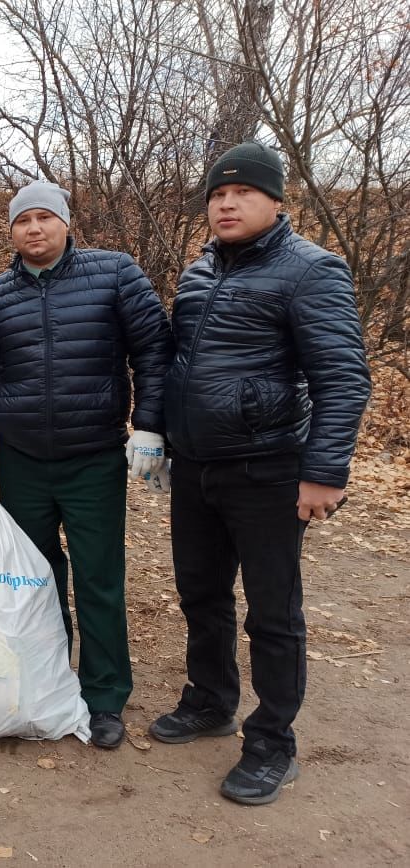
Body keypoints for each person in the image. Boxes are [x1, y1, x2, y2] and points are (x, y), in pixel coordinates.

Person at [150, 142, 371, 804]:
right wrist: (162, 439)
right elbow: (178, 365)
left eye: (243, 192)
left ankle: (273, 742)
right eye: (218, 193)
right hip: (196, 469)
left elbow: (343, 377)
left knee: (273, 613)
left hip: (269, 470)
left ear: (277, 202)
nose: (226, 202)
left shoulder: (312, 271)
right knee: (201, 594)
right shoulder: (197, 274)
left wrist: (325, 472)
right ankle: (211, 700)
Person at [0, 180, 172, 749]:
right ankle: (48, 681)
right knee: (34, 579)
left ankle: (104, 697)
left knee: (99, 579)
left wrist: (150, 426)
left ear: (66, 223)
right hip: (23, 460)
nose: (34, 228)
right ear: (11, 231)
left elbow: (154, 350)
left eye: (44, 218)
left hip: (93, 457)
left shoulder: (115, 274)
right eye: (23, 220)